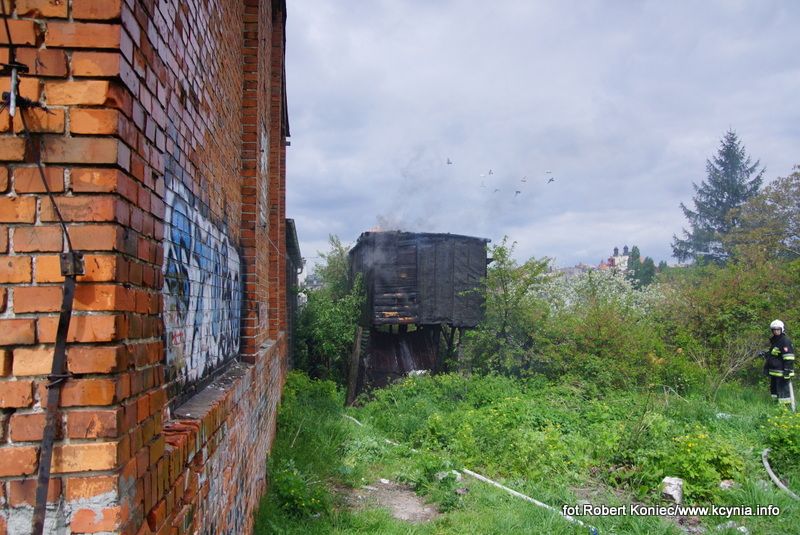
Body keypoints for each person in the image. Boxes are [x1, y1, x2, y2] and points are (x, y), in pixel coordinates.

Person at [762, 320, 795, 404]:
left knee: (783, 392)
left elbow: (789, 356)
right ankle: (775, 406)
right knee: (774, 391)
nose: (776, 331)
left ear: (782, 329)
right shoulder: (775, 340)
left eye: (778, 329)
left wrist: (787, 370)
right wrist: (765, 354)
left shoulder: (785, 340)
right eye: (774, 330)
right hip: (775, 372)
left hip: (782, 372)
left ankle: (786, 409)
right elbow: (775, 353)